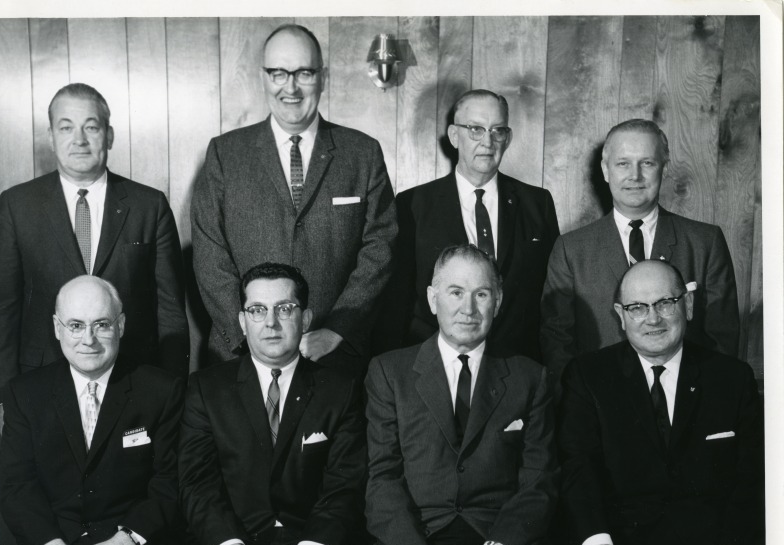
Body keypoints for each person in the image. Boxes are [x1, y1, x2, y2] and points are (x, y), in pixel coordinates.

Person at [558, 260, 764, 545]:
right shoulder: (588, 376)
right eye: (638, 307)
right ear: (620, 315)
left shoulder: (732, 378)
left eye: (665, 303)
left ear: (686, 305)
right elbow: (578, 468)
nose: (653, 318)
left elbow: (754, 475)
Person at [363, 244, 558, 545]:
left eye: (481, 294)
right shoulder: (390, 372)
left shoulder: (529, 377)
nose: (468, 308)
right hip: (416, 539)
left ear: (497, 301)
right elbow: (381, 478)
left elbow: (539, 482)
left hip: (497, 541)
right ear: (433, 299)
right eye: (455, 292)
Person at [191, 24, 396, 376]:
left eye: (303, 72)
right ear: (263, 77)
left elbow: (380, 248)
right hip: (239, 359)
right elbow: (210, 254)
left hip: (333, 361)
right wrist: (251, 336)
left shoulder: (362, 154)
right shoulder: (225, 154)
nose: (290, 86)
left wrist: (337, 330)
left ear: (323, 77)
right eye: (279, 73)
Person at [177, 262, 366, 545]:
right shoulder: (206, 389)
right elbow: (196, 486)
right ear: (243, 321)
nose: (271, 323)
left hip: (307, 541)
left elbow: (345, 487)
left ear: (306, 317)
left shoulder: (339, 390)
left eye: (285, 309)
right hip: (230, 540)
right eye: (257, 311)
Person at [0, 276, 184, 545]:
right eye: (76, 325)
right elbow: (16, 487)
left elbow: (169, 483)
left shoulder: (160, 390)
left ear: (122, 325)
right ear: (57, 328)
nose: (88, 339)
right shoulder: (25, 394)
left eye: (102, 324)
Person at [0, 83, 189, 404]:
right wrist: (2, 398)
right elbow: (3, 311)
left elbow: (170, 311)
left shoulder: (149, 206)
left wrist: (173, 393)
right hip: (41, 382)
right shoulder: (17, 206)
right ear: (51, 137)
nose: (79, 140)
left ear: (109, 136)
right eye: (66, 127)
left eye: (91, 127)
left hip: (134, 379)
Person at [540, 119, 739, 386]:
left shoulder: (705, 242)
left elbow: (722, 338)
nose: (635, 175)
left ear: (664, 169)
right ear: (605, 170)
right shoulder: (571, 249)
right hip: (599, 405)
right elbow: (557, 342)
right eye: (623, 163)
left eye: (647, 163)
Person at [380, 89, 559, 360]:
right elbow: (397, 300)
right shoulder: (413, 205)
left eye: (497, 130)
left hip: (517, 365)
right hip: (435, 364)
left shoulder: (537, 203)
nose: (488, 141)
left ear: (507, 138)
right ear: (454, 136)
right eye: (475, 129)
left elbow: (551, 298)